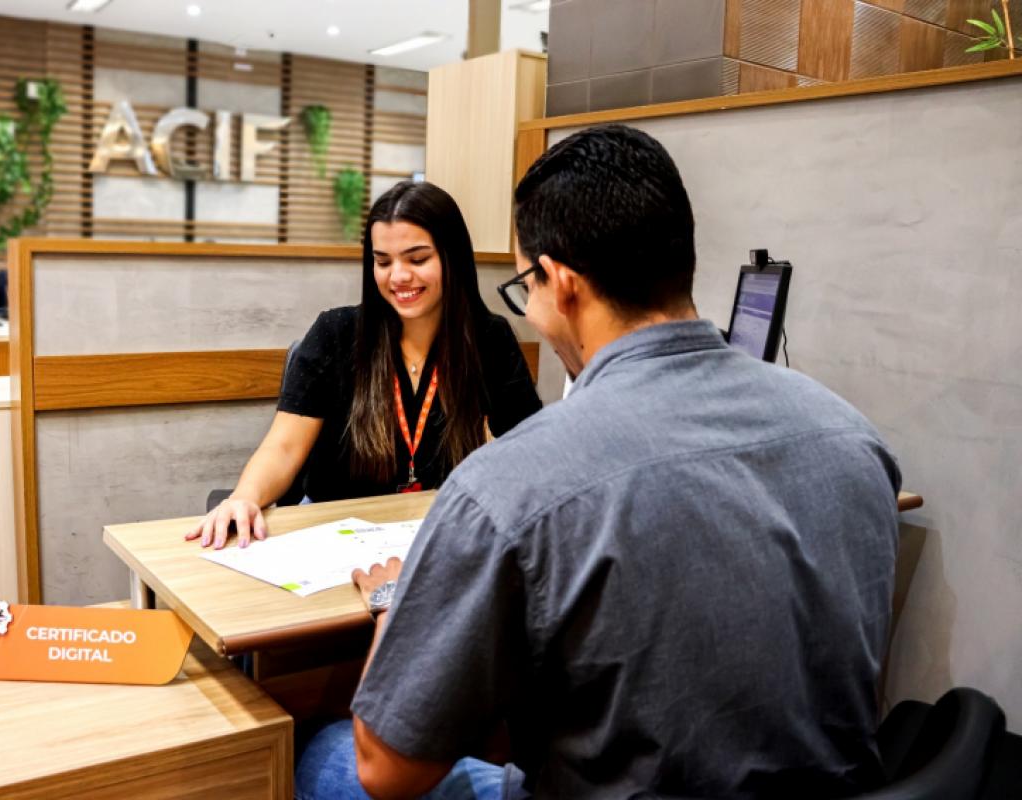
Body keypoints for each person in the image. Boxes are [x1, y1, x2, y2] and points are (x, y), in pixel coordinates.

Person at [296, 124, 902, 799]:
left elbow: (388, 769)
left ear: (560, 283)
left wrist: (391, 604)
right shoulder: (855, 439)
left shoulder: (508, 484)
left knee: (323, 754)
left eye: (526, 286)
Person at [186, 180, 542, 549]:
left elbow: (529, 449)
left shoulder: (488, 339)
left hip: (432, 530)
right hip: (332, 532)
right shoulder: (335, 333)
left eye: (417, 259)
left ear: (452, 257)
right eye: (383, 261)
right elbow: (284, 448)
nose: (398, 276)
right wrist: (244, 497)